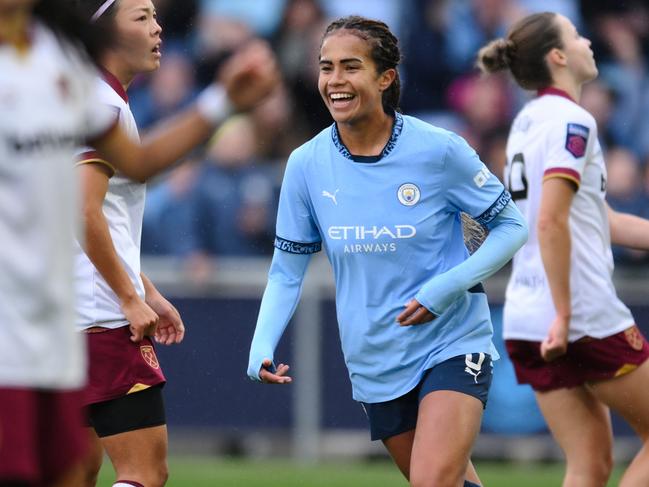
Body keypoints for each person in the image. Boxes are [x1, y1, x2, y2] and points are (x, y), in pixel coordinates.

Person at [0, 1, 277, 486]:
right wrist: (127, 297)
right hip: (97, 315)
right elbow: (82, 211)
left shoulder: (76, 94)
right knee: (145, 471)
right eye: (142, 16)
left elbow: (110, 193)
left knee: (74, 470)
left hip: (47, 314)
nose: (158, 27)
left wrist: (142, 287)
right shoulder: (90, 100)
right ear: (102, 31)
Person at [248, 15, 528, 487]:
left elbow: (510, 227)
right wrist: (260, 344)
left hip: (452, 341)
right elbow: (286, 272)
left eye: (351, 67)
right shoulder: (306, 165)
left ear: (385, 77)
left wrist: (446, 287)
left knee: (432, 480)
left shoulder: (439, 150)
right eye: (326, 67)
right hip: (374, 356)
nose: (335, 80)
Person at [478, 11, 649, 487]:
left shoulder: (526, 121)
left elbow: (601, 219)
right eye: (575, 35)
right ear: (557, 56)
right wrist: (567, 313)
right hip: (576, 314)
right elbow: (551, 220)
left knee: (589, 464)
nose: (587, 40)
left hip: (526, 316)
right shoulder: (574, 121)